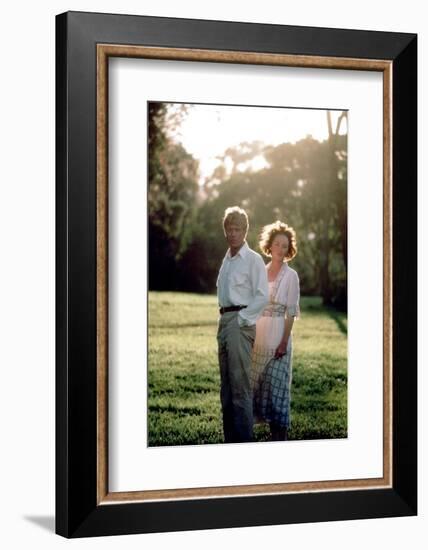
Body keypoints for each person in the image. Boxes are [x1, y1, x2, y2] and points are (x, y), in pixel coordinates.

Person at [216, 206, 269, 443]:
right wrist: (228, 321)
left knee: (240, 389)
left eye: (237, 229)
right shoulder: (227, 260)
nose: (233, 233)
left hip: (240, 322)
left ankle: (245, 444)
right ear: (225, 231)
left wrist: (242, 320)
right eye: (229, 229)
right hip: (224, 322)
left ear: (245, 231)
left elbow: (261, 296)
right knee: (226, 390)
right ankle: (230, 443)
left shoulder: (253, 260)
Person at [251, 220, 300, 441]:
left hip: (279, 335)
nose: (280, 249)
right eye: (277, 244)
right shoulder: (259, 271)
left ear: (288, 250)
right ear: (269, 246)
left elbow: (291, 312)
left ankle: (280, 438)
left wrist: (283, 342)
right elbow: (253, 305)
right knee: (258, 388)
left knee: (277, 390)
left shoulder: (292, 277)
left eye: (285, 245)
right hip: (259, 335)